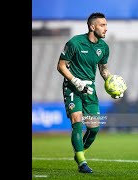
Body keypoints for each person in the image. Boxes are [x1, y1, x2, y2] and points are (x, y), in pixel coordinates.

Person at [57, 12, 124, 173]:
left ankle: (80, 152)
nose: (106, 28)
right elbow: (61, 65)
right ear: (92, 27)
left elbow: (103, 70)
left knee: (94, 128)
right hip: (73, 87)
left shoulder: (103, 47)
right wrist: (75, 81)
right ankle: (82, 162)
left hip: (90, 90)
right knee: (77, 122)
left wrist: (112, 87)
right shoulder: (75, 43)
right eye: (103, 25)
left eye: (106, 25)